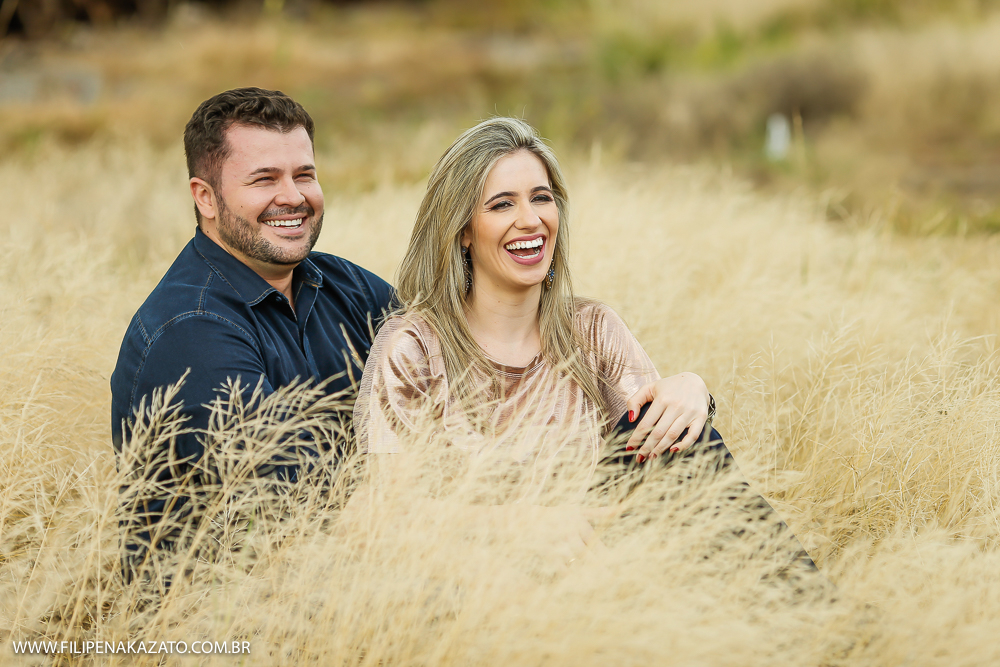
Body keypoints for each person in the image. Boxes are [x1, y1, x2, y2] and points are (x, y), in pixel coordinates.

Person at [353, 117, 816, 570]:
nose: (530, 220)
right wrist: (520, 525)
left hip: (597, 564)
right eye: (502, 205)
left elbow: (660, 446)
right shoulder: (413, 344)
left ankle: (809, 609)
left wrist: (692, 389)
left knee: (686, 438)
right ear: (463, 231)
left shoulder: (592, 329)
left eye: (541, 198)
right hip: (481, 575)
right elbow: (378, 512)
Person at [110, 87, 394, 579]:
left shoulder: (344, 285)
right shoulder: (191, 330)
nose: (294, 196)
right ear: (205, 197)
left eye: (304, 175)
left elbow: (453, 377)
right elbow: (296, 499)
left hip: (347, 575)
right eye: (265, 179)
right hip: (227, 607)